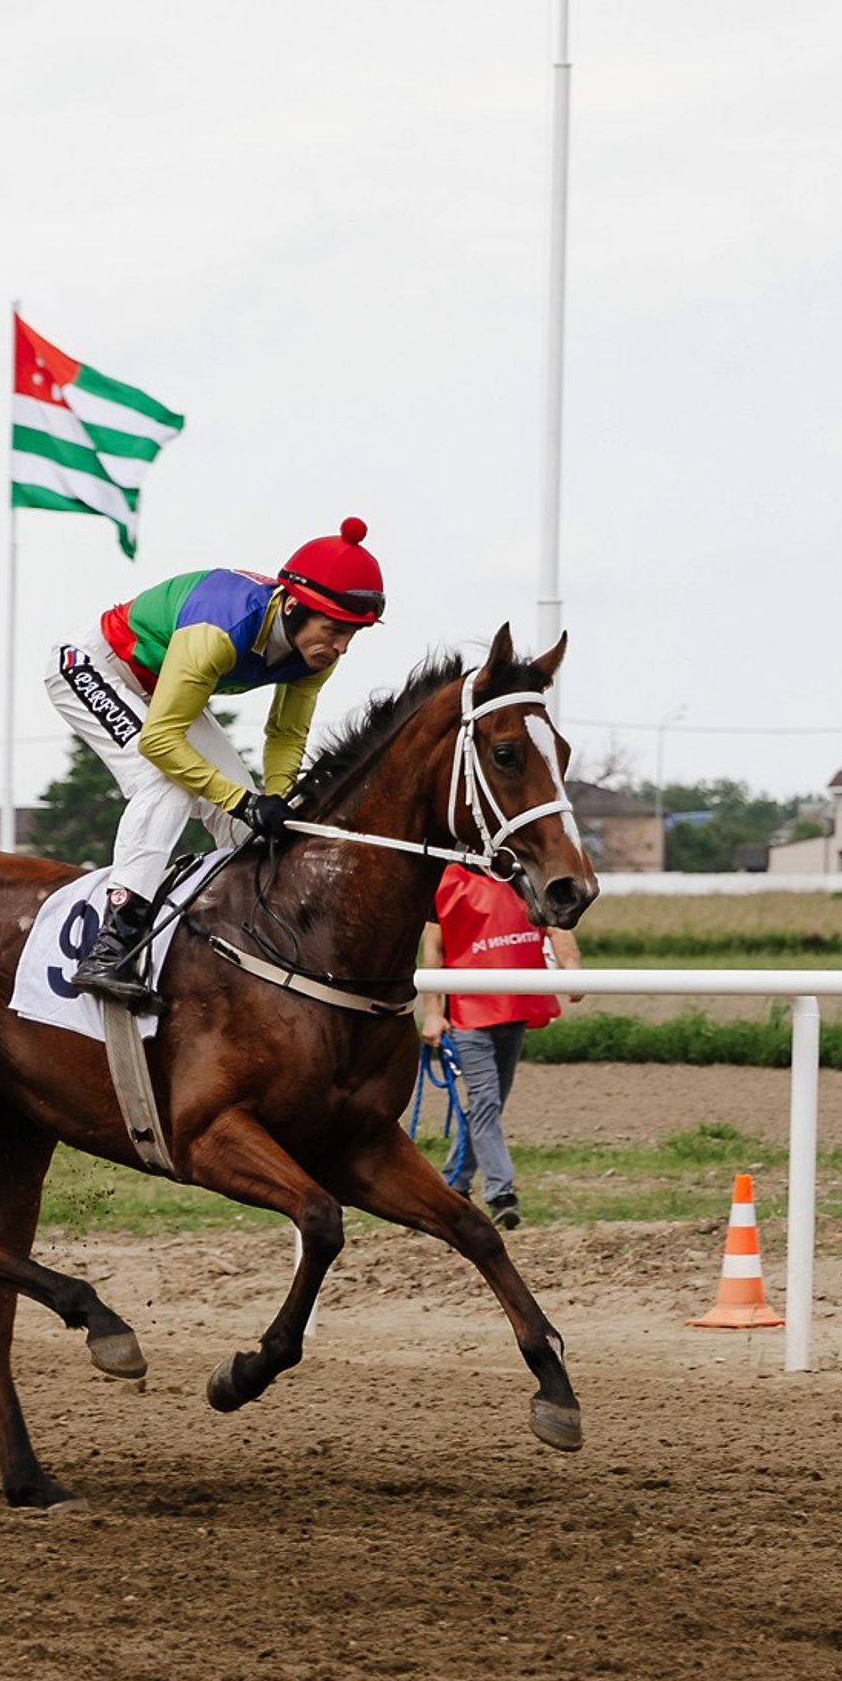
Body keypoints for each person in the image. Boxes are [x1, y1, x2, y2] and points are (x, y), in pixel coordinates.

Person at [49, 519, 386, 1006]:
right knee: (166, 785)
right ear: (292, 607)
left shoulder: (317, 653)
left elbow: (286, 732)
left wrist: (274, 798)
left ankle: (257, 937)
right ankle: (113, 943)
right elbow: (161, 741)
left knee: (253, 829)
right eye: (334, 630)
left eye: (352, 635)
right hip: (95, 667)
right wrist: (244, 800)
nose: (340, 647)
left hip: (163, 689)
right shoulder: (222, 630)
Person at [419, 864, 582, 1231]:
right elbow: (433, 950)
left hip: (515, 1010)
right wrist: (433, 1012)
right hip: (468, 1016)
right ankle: (501, 1194)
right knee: (486, 1102)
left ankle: (452, 1186)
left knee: (485, 1108)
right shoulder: (446, 882)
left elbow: (557, 928)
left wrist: (573, 969)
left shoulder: (525, 878)